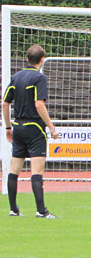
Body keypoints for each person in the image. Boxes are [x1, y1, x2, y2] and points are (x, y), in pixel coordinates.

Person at [2, 44, 59, 218]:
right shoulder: (39, 78)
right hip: (34, 128)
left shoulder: (16, 77)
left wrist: (8, 127)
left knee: (14, 170)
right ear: (42, 60)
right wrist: (51, 127)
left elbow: (5, 104)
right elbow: (39, 104)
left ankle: (13, 209)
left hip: (18, 127)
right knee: (37, 171)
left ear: (27, 59)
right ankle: (41, 211)